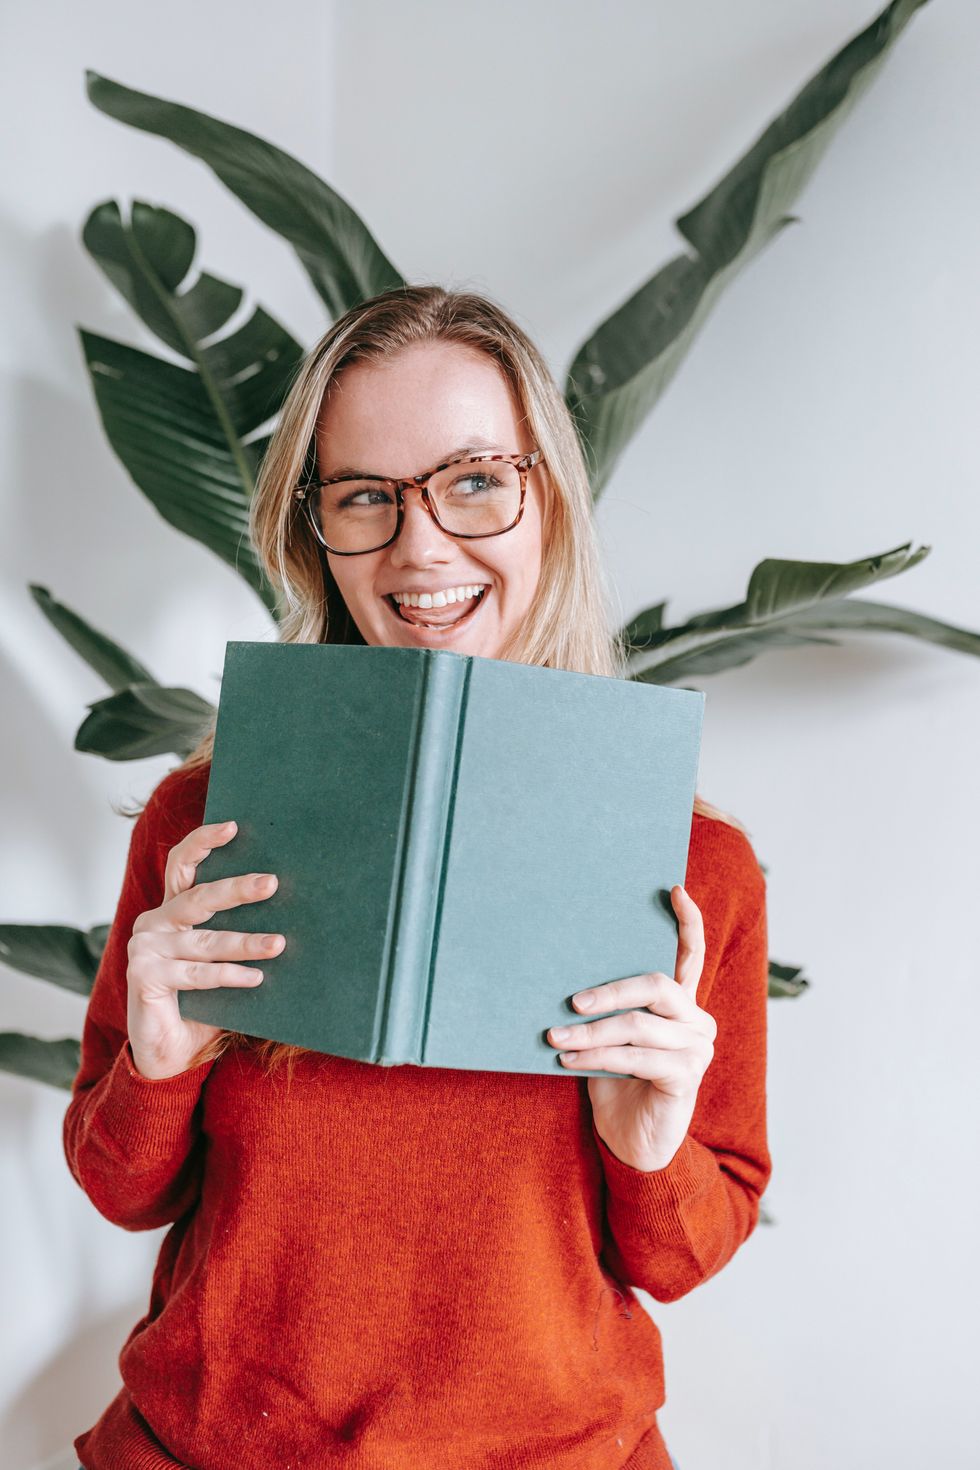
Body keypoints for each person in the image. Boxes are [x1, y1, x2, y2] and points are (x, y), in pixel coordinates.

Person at [65, 284, 770, 1470]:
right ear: (313, 529)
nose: (420, 545)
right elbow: (121, 1190)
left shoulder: (694, 865)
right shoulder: (206, 821)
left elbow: (682, 1257)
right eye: (363, 498)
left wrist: (647, 1149)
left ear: (547, 494)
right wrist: (160, 1060)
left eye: (474, 480)